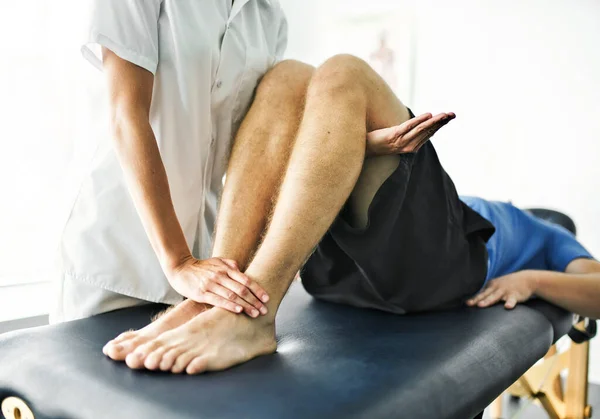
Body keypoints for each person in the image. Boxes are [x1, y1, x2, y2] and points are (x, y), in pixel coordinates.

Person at [101, 54, 600, 375]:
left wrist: (532, 281)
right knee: (288, 76)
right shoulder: (455, 212)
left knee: (344, 72)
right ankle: (220, 296)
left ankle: (254, 317)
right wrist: (357, 149)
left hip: (444, 273)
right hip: (345, 271)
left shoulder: (550, 237)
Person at [54, 0, 288, 322]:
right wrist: (178, 261)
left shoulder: (268, 14)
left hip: (205, 264)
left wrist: (345, 140)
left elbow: (259, 138)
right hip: (115, 257)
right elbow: (127, 116)